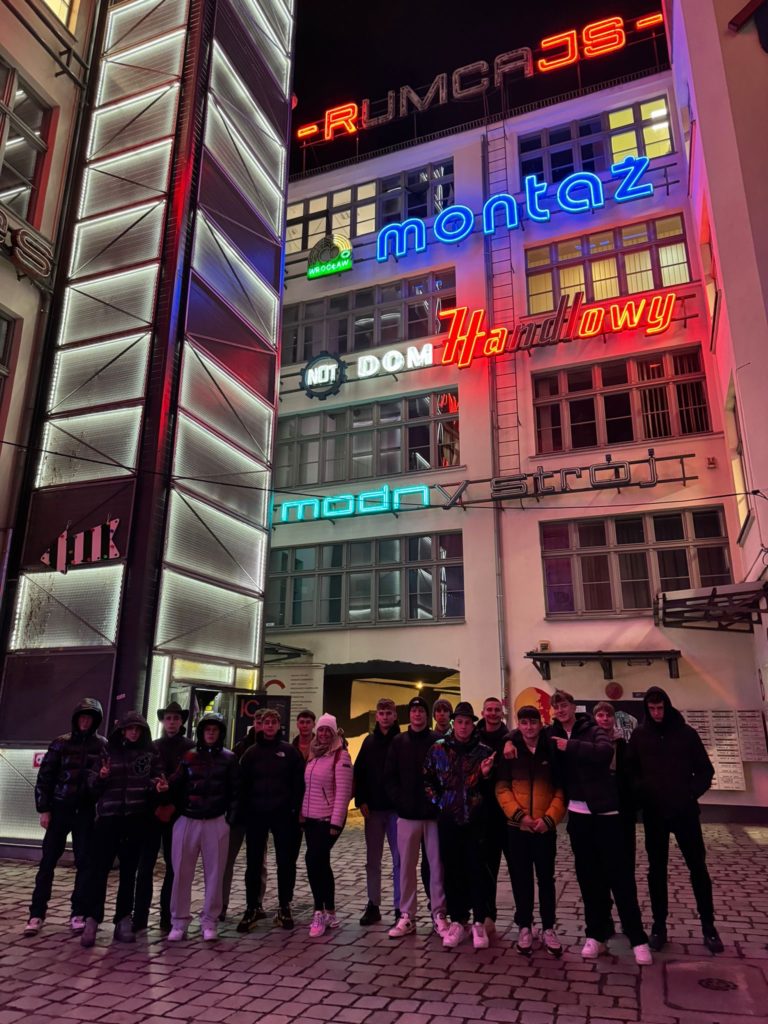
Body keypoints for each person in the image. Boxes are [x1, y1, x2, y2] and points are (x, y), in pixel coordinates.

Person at [548, 690, 652, 965]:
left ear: (573, 707)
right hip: (578, 814)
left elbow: (605, 752)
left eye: (564, 705)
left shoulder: (591, 729)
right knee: (588, 879)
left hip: (607, 813)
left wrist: (569, 746)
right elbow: (526, 738)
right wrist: (510, 742)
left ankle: (637, 937)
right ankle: (596, 934)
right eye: (556, 707)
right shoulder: (551, 733)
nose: (561, 710)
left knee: (620, 878)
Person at [627, 686, 723, 954]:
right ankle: (659, 926)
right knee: (656, 871)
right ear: (647, 709)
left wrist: (690, 793)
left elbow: (705, 770)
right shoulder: (640, 735)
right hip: (655, 814)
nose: (657, 713)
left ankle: (709, 926)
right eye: (652, 709)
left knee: (698, 868)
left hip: (685, 812)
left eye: (660, 708)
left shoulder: (686, 734)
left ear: (667, 707)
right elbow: (631, 770)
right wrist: (642, 792)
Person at [80, 712, 166, 948]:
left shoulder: (150, 753)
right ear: (122, 731)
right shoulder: (108, 751)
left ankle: (123, 919)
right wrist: (101, 777)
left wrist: (158, 787)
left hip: (135, 818)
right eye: (130, 729)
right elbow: (92, 784)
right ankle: (92, 918)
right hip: (108, 818)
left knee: (129, 872)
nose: (134, 733)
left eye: (138, 729)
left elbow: (155, 779)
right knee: (99, 871)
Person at [24, 698, 107, 937]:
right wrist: (44, 809)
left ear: (95, 721)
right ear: (76, 719)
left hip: (85, 812)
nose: (85, 722)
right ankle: (36, 914)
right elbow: (45, 778)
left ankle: (78, 913)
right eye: (82, 717)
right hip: (60, 809)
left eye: (89, 718)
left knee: (85, 864)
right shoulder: (60, 743)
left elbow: (103, 781)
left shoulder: (102, 745)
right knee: (47, 863)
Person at [423, 702, 496, 950]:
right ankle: (457, 920)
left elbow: (492, 789)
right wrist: (440, 802)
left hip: (476, 820)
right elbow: (427, 780)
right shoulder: (438, 748)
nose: (464, 727)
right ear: (454, 723)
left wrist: (485, 775)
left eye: (468, 722)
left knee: (477, 870)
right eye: (460, 722)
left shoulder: (484, 751)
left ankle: (479, 921)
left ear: (473, 724)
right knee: (452, 871)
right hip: (449, 819)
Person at [495, 705, 565, 957]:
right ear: (519, 724)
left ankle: (548, 928)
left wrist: (549, 819)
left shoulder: (551, 750)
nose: (529, 727)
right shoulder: (510, 751)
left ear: (540, 723)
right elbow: (502, 787)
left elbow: (561, 789)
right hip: (518, 829)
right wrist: (519, 816)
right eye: (524, 723)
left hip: (544, 829)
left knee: (546, 879)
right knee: (521, 879)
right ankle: (524, 926)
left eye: (533, 722)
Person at [167, 712, 239, 942]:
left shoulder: (229, 758)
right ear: (201, 732)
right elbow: (176, 784)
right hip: (188, 819)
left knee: (215, 874)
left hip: (216, 820)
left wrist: (229, 819)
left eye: (214, 729)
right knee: (181, 872)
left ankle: (209, 921)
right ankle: (179, 921)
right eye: (207, 729)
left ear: (220, 733)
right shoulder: (189, 756)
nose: (210, 733)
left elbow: (235, 791)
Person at [385, 695, 448, 940]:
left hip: (433, 816)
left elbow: (445, 776)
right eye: (414, 711)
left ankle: (439, 913)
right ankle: (407, 915)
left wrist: (439, 804)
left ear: (426, 714)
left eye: (421, 710)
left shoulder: (437, 741)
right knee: (406, 867)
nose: (417, 714)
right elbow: (390, 777)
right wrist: (400, 801)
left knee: (437, 866)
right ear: (409, 715)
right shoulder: (399, 742)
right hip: (407, 815)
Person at [238, 708, 304, 931]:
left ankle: (284, 905)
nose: (269, 726)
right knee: (253, 863)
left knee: (285, 862)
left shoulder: (289, 752)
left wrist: (295, 809)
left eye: (273, 722)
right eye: (266, 722)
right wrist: (244, 811)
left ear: (278, 725)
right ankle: (252, 906)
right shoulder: (251, 753)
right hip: (256, 814)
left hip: (283, 815)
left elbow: (298, 783)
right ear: (260, 725)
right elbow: (243, 784)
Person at [133, 701, 195, 933]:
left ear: (181, 721)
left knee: (173, 866)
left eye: (176, 718)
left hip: (177, 814)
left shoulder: (190, 747)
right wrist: (157, 803)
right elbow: (145, 777)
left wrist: (173, 805)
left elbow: (190, 782)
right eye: (168, 718)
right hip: (152, 813)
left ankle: (167, 916)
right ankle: (139, 916)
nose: (172, 722)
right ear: (162, 721)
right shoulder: (152, 746)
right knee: (145, 866)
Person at [301, 713, 354, 937]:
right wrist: (303, 814)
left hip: (327, 820)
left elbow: (343, 793)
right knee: (321, 863)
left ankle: (319, 911)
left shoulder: (341, 756)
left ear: (334, 733)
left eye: (327, 731)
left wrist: (336, 823)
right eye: (321, 730)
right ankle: (330, 911)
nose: (323, 734)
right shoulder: (314, 753)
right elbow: (308, 787)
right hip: (311, 819)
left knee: (312, 860)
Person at [354, 697, 401, 926]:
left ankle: (400, 906)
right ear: (377, 716)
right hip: (373, 810)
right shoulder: (369, 742)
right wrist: (361, 799)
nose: (384, 717)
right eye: (381, 713)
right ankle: (373, 904)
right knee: (373, 860)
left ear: (395, 716)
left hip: (396, 811)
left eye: (388, 713)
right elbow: (360, 772)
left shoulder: (401, 741)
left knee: (399, 860)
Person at [220, 707, 267, 922]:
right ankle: (221, 904)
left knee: (258, 862)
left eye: (264, 721)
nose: (261, 725)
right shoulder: (240, 747)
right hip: (238, 813)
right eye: (258, 720)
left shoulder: (274, 748)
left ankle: (257, 902)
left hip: (259, 813)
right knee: (226, 859)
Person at [477, 695, 510, 932]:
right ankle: (487, 914)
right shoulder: (474, 738)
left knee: (516, 867)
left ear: (502, 713)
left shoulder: (511, 738)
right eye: (489, 709)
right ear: (483, 713)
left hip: (507, 812)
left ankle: (525, 921)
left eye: (496, 710)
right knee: (486, 867)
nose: (492, 713)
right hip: (482, 812)